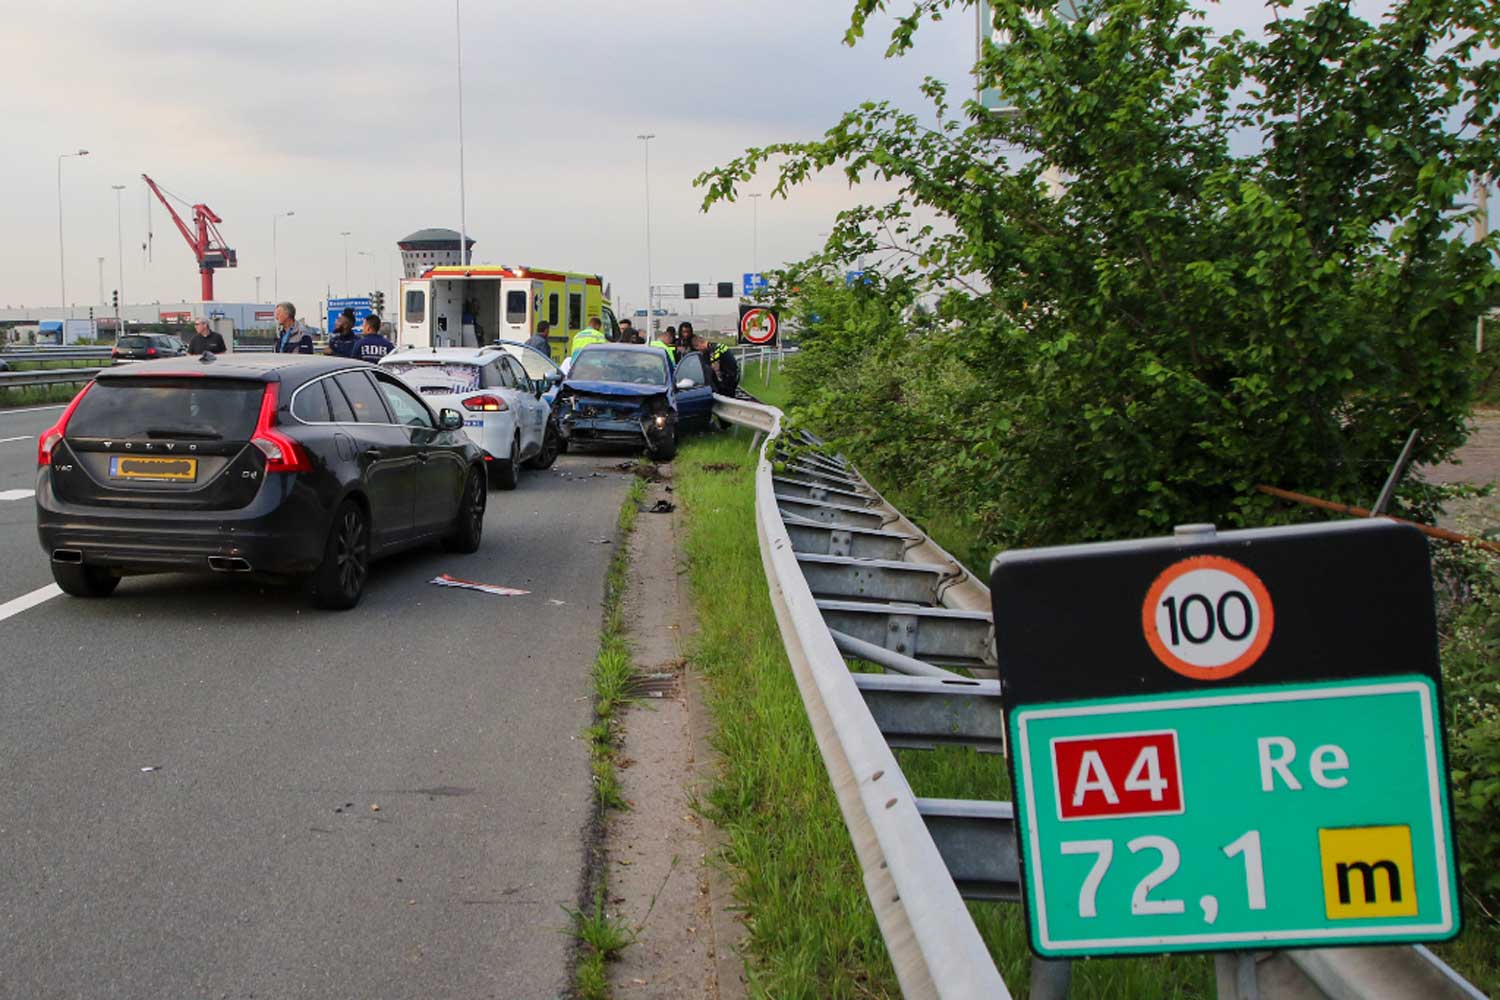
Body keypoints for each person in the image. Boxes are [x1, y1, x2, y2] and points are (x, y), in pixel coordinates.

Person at [691, 328, 740, 396]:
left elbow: (716, 370)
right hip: (734, 375)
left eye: (698, 349)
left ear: (699, 344)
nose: (700, 351)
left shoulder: (713, 351)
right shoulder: (716, 345)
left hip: (728, 380)